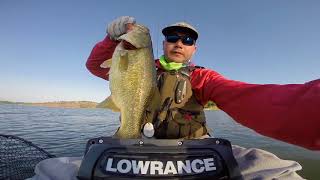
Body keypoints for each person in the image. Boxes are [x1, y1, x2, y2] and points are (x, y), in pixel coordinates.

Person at [86, 16, 320, 150]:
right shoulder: (143, 65)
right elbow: (95, 66)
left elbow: (247, 97)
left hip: (190, 150)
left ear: (194, 49)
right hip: (135, 141)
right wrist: (110, 41)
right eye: (172, 38)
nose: (179, 43)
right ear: (164, 44)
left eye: (187, 40)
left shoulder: (202, 77)